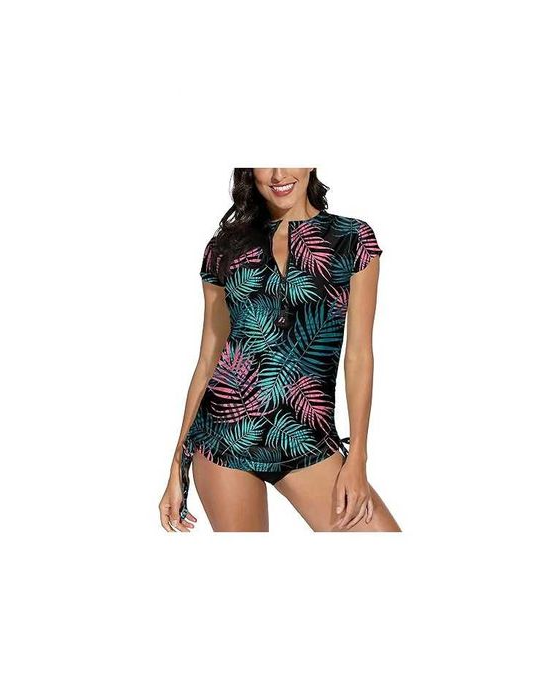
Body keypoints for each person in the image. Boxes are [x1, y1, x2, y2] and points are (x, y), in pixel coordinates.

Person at [159, 168, 401, 532]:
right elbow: (209, 359)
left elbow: (359, 356)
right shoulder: (225, 248)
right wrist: (177, 463)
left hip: (307, 442)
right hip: (224, 439)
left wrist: (357, 459)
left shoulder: (351, 239)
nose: (278, 174)